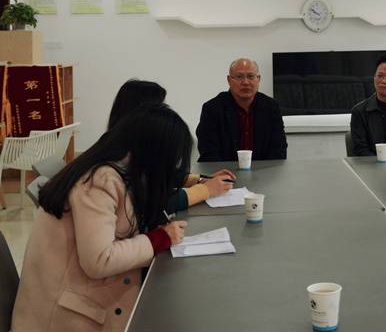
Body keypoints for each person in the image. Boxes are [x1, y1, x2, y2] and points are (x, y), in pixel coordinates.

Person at [12, 104, 192, 331]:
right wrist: (160, 238)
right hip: (61, 320)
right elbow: (99, 260)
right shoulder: (100, 180)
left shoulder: (113, 170)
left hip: (80, 303)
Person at [109, 79, 235, 211]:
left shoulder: (128, 141)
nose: (164, 114)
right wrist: (205, 190)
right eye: (160, 107)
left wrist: (201, 179)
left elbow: (160, 176)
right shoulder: (119, 155)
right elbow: (152, 202)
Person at [197, 58, 288, 162]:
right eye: (239, 77)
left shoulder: (271, 107)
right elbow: (208, 152)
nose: (245, 82)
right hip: (223, 170)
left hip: (265, 169)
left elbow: (279, 149)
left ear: (258, 79)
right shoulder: (212, 109)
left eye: (251, 76)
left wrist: (267, 170)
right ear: (229, 80)